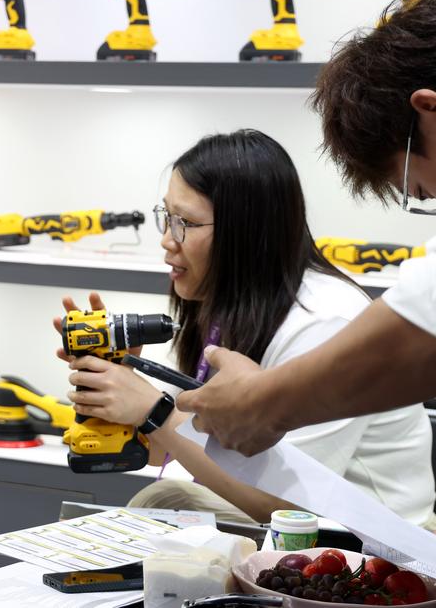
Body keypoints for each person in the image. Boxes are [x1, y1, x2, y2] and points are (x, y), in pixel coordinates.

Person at [56, 130, 436, 527]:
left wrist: (152, 411)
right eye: (166, 217)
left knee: (161, 502)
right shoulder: (228, 308)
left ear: (247, 232)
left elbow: (289, 505)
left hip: (373, 541)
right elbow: (164, 451)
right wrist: (115, 389)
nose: (167, 239)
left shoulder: (326, 320)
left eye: (185, 222)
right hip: (286, 528)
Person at [176, 0, 436, 457]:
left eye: (422, 191)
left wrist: (257, 403)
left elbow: (419, 326)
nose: (169, 239)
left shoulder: (326, 316)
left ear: (428, 110)